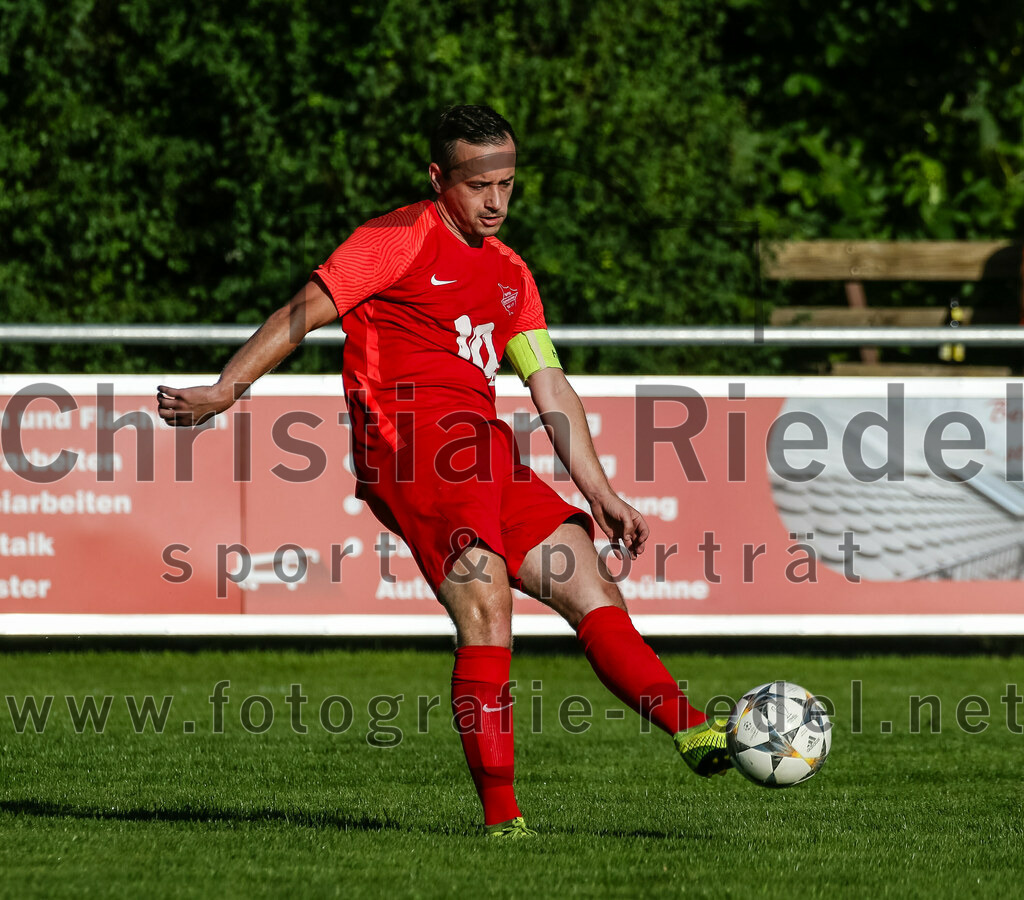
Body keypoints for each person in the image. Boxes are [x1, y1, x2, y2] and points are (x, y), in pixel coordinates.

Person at [157, 105, 731, 839]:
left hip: (482, 446)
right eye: (478, 185)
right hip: (411, 441)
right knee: (487, 599)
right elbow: (302, 312)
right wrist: (225, 389)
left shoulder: (509, 273)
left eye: (508, 185)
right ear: (438, 178)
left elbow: (549, 387)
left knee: (586, 576)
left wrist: (602, 493)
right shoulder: (394, 239)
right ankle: (505, 818)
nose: (495, 201)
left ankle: (691, 730)